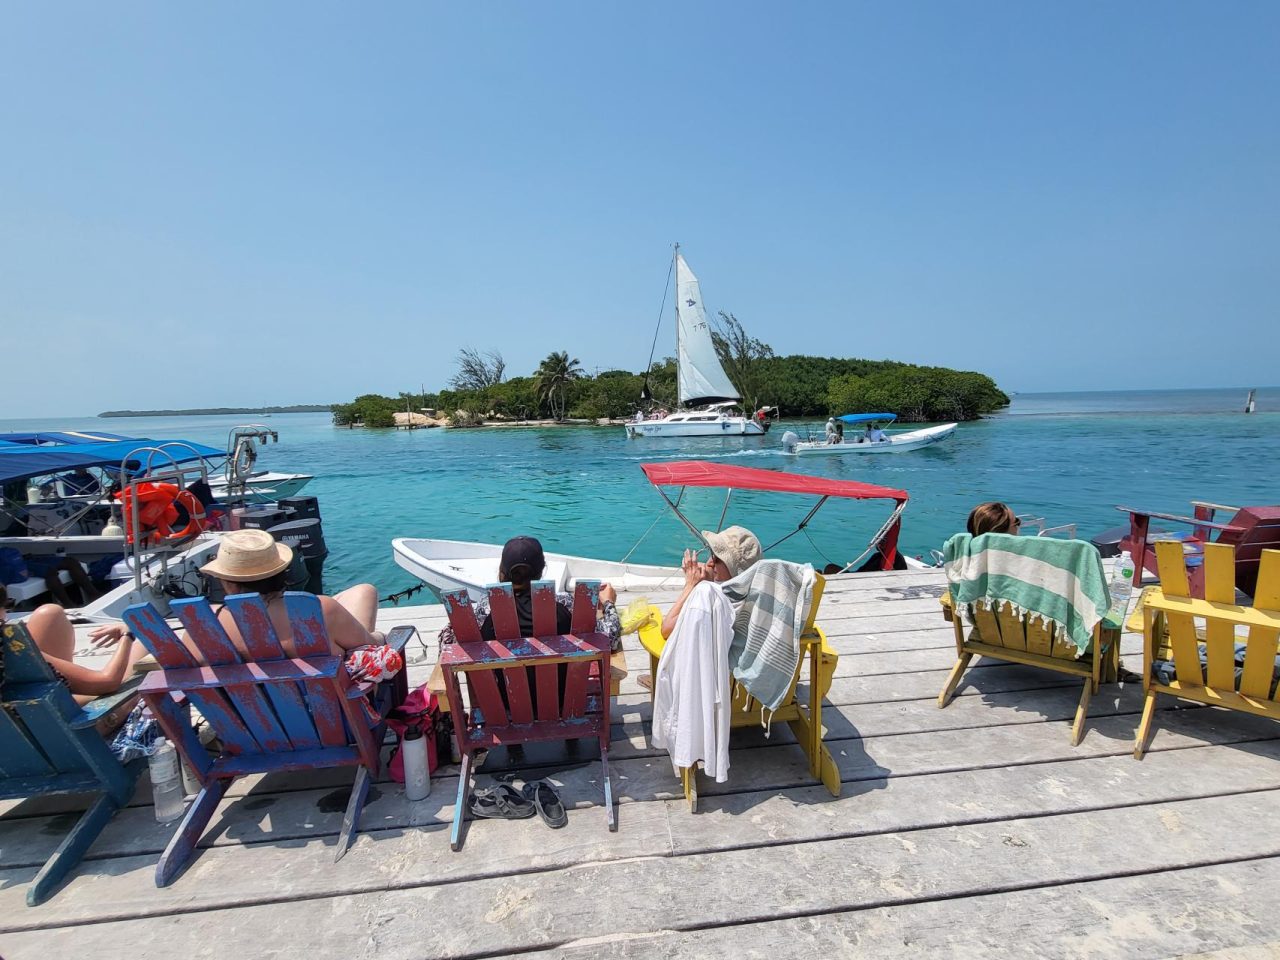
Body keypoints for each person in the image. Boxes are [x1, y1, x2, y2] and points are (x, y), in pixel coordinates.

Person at [199, 528, 385, 660]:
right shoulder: (321, 610)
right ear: (283, 572)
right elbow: (371, 648)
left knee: (362, 592)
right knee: (361, 606)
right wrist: (381, 637)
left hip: (240, 714)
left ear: (226, 581)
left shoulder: (204, 624)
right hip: (335, 710)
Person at [438, 535, 620, 647]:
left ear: (503, 572)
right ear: (542, 571)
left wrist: (456, 622)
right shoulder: (565, 605)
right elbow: (611, 640)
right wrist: (608, 603)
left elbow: (447, 645)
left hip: (500, 705)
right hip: (562, 702)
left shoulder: (486, 609)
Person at [1, 583, 148, 719]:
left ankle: (71, 688)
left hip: (15, 721)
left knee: (50, 614)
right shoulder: (10, 647)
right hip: (48, 727)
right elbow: (108, 682)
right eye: (7, 605)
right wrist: (126, 635)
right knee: (145, 646)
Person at [659, 526, 763, 638]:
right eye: (712, 554)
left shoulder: (717, 604)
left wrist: (691, 585)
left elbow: (667, 629)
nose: (710, 563)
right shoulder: (748, 597)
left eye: (717, 559)